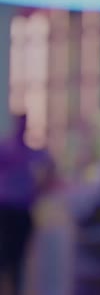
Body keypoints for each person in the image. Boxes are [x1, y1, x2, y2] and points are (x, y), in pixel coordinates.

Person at [0, 114, 54, 294]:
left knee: (18, 258)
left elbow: (50, 166)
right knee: (5, 255)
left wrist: (38, 189)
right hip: (5, 210)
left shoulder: (31, 151)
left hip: (22, 210)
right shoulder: (6, 149)